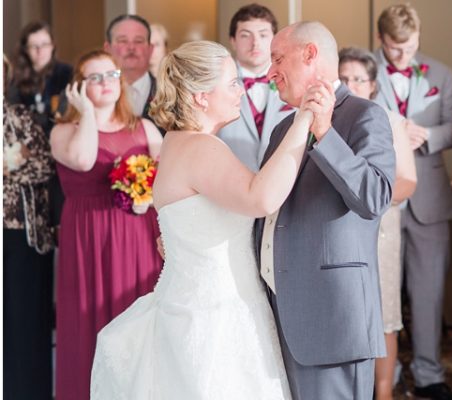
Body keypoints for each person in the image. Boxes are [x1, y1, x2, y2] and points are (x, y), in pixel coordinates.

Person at [89, 40, 317, 399]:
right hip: (217, 314)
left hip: (198, 301)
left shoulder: (177, 141)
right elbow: (260, 197)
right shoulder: (200, 147)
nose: (240, 91)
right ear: (201, 97)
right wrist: (304, 120)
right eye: (232, 83)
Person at [258, 21, 395, 400]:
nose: (270, 72)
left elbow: (374, 198)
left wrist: (325, 133)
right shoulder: (282, 128)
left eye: (277, 59)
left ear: (310, 54)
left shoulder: (365, 115)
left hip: (331, 317)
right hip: (279, 311)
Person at [50, 49, 164, 400]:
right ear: (78, 87)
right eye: (94, 77)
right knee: (89, 320)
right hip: (88, 237)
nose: (106, 83)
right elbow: (84, 160)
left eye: (111, 75)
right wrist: (87, 113)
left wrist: (154, 209)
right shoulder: (62, 131)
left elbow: (166, 185)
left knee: (137, 320)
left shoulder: (145, 128)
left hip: (138, 236)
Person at [372, 5, 452, 398]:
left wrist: (426, 135)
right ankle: (383, 376)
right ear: (380, 40)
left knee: (429, 292)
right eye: (395, 49)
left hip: (430, 197)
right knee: (380, 293)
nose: (402, 56)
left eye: (409, 48)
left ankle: (429, 373)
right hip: (381, 198)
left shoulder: (441, 73)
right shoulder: (361, 70)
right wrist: (393, 135)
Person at [338, 46, 417, 400]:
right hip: (337, 226)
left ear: (372, 84)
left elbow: (408, 180)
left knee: (384, 314)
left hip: (381, 226)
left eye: (358, 79)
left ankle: (383, 392)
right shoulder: (325, 121)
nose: (350, 85)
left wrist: (367, 198)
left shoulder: (391, 120)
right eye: (343, 78)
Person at [3, 54, 56, 400]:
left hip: (22, 234)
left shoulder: (21, 117)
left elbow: (44, 166)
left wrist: (9, 167)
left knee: (23, 321)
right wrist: (12, 159)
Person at [218, 3, 294, 171]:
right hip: (228, 181)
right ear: (233, 41)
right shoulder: (215, 84)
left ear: (275, 39)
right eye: (246, 35)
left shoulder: (294, 82)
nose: (255, 43)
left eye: (263, 35)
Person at [9, 21, 73, 134]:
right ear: (25, 50)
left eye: (44, 44)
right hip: (26, 137)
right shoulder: (15, 79)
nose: (40, 51)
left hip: (59, 136)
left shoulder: (67, 73)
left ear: (52, 46)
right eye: (34, 46)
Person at [104, 14, 157, 122]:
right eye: (122, 41)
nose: (131, 47)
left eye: (138, 41)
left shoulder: (171, 96)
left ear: (150, 49)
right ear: (107, 48)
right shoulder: (88, 94)